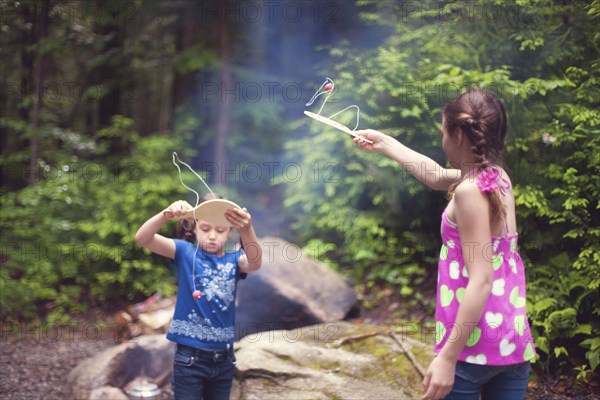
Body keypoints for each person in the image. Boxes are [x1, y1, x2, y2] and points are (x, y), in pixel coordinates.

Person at [353, 89, 536, 400]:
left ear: (459, 135)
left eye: (443, 132)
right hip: (511, 340)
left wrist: (448, 357)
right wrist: (385, 143)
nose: (442, 140)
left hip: (470, 348)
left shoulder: (469, 192)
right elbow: (437, 176)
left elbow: (481, 279)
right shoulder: (496, 178)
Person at [135, 193, 262, 400]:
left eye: (220, 230)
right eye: (205, 228)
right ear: (193, 227)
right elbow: (143, 238)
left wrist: (247, 229)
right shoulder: (185, 252)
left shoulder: (235, 261)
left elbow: (255, 262)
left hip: (224, 359)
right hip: (190, 359)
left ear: (230, 231)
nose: (212, 235)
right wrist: (165, 215)